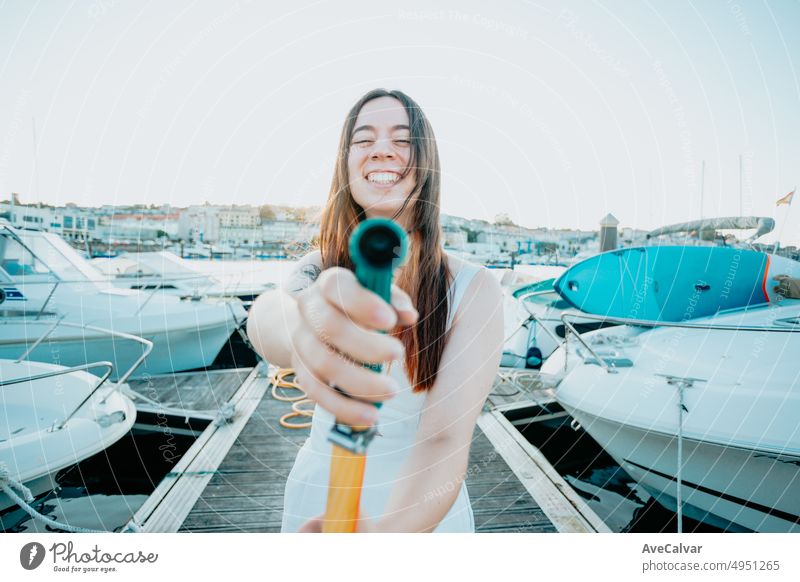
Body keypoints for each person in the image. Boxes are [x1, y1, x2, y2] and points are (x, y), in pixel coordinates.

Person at [247, 89, 503, 533]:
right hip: (320, 496)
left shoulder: (475, 289)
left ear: (427, 166)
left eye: (402, 140)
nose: (381, 149)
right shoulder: (317, 268)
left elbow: (443, 439)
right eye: (363, 139)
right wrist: (309, 327)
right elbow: (271, 319)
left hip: (422, 512)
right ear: (346, 165)